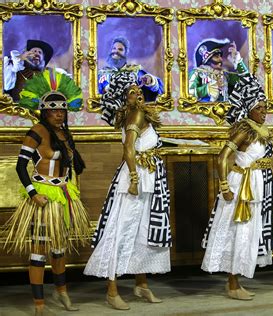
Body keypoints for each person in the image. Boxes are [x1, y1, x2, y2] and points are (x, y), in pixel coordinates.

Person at [2, 69, 89, 315]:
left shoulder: (64, 133)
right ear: (44, 110)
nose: (59, 114)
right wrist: (33, 194)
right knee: (39, 250)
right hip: (42, 196)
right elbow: (20, 166)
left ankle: (62, 293)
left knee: (59, 247)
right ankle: (39, 303)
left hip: (62, 195)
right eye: (54, 110)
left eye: (62, 110)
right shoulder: (36, 132)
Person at [84, 72, 171, 310]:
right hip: (137, 178)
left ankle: (141, 284)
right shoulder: (135, 113)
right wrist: (134, 179)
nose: (138, 95)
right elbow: (128, 149)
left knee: (142, 229)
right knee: (122, 231)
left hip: (149, 177)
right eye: (132, 92)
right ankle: (112, 290)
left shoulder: (140, 114)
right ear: (124, 99)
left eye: (139, 91)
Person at [201, 73, 273, 300]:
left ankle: (236, 282)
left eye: (265, 108)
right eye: (259, 108)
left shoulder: (260, 131)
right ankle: (232, 284)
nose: (264, 112)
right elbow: (222, 157)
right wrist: (224, 186)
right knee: (236, 231)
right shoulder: (244, 130)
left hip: (255, 185)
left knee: (247, 233)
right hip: (240, 187)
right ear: (249, 109)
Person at [98, 36, 163, 102]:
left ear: (126, 53)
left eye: (120, 49)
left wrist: (150, 80)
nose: (116, 51)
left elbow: (155, 88)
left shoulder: (135, 71)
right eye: (114, 48)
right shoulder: (103, 72)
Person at [3, 39, 68, 102]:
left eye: (40, 52)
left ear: (44, 60)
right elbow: (6, 86)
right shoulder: (14, 71)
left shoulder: (53, 74)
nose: (37, 53)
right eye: (34, 51)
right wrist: (19, 58)